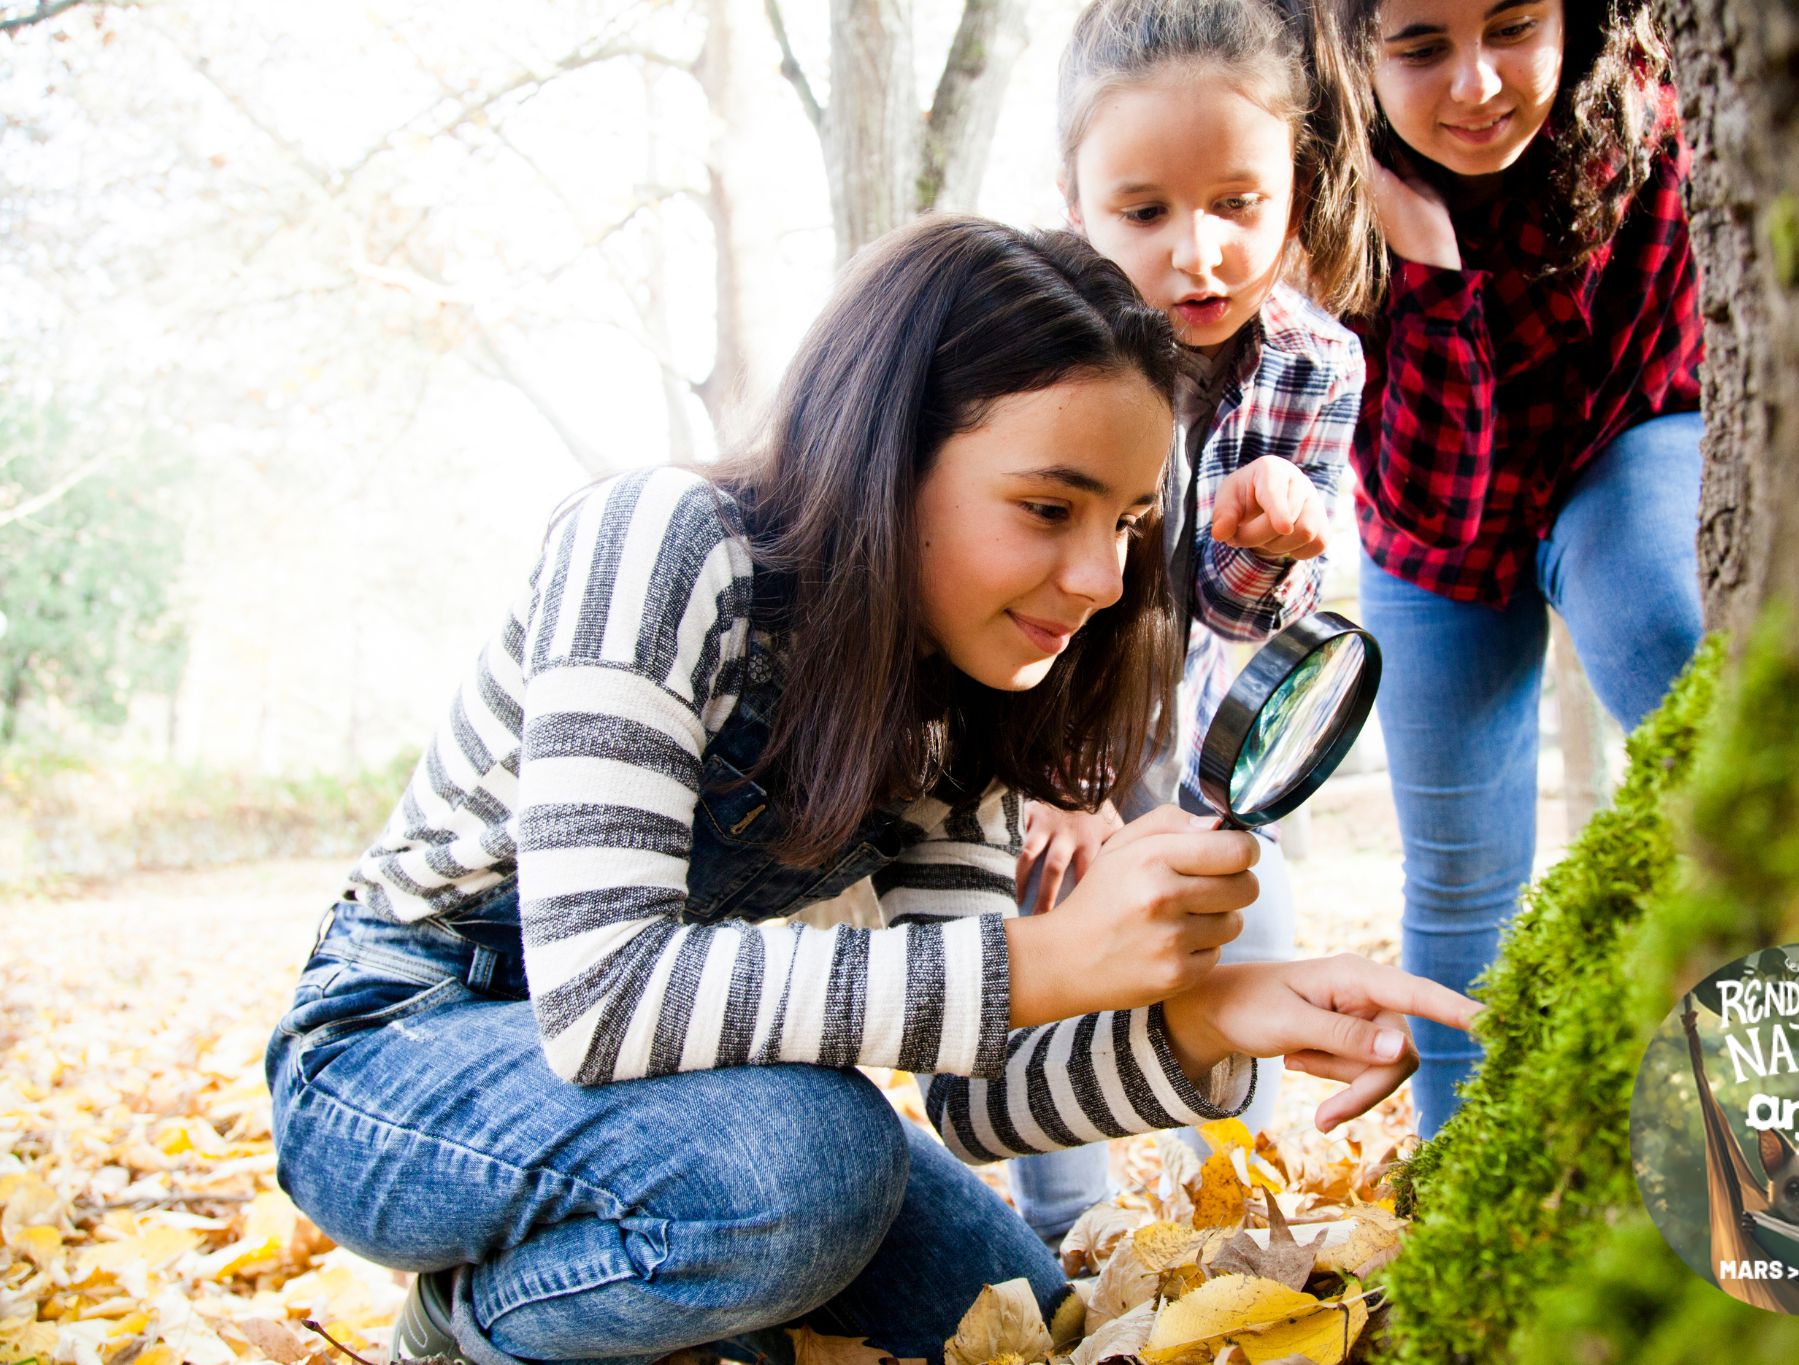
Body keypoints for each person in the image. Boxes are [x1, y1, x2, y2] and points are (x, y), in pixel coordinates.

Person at [263, 214, 1479, 1365]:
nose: (1102, 577)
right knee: (806, 1170)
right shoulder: (658, 542)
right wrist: (1056, 955)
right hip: (396, 1051)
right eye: (1050, 507)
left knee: (1006, 1311)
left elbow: (976, 1093)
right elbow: (604, 993)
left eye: (1127, 522)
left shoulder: (961, 691)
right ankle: (471, 1332)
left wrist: (1212, 1013)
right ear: (887, 455)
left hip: (672, 1096)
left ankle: (670, 1295)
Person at [1004, 0, 1368, 1247]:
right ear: (1076, 202)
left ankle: (1237, 1217)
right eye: (1144, 211)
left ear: (1292, 189)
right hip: (1057, 706)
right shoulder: (1040, 353)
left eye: (1236, 204)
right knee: (1056, 929)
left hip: (1212, 721)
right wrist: (1061, 775)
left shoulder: (1311, 364)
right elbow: (1028, 579)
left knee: (1233, 930)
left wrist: (1263, 545)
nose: (1195, 254)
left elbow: (1238, 615)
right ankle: (1065, 1232)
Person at [1307, 0, 1706, 1135]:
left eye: (1511, 27)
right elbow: (1442, 501)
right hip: (1429, 532)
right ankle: (1458, 1175)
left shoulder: (1642, 111)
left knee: (1661, 630)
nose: (1477, 86)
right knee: (1460, 877)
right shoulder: (1319, 188)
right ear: (1352, 52)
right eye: (1420, 47)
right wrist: (1426, 267)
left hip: (1620, 439)